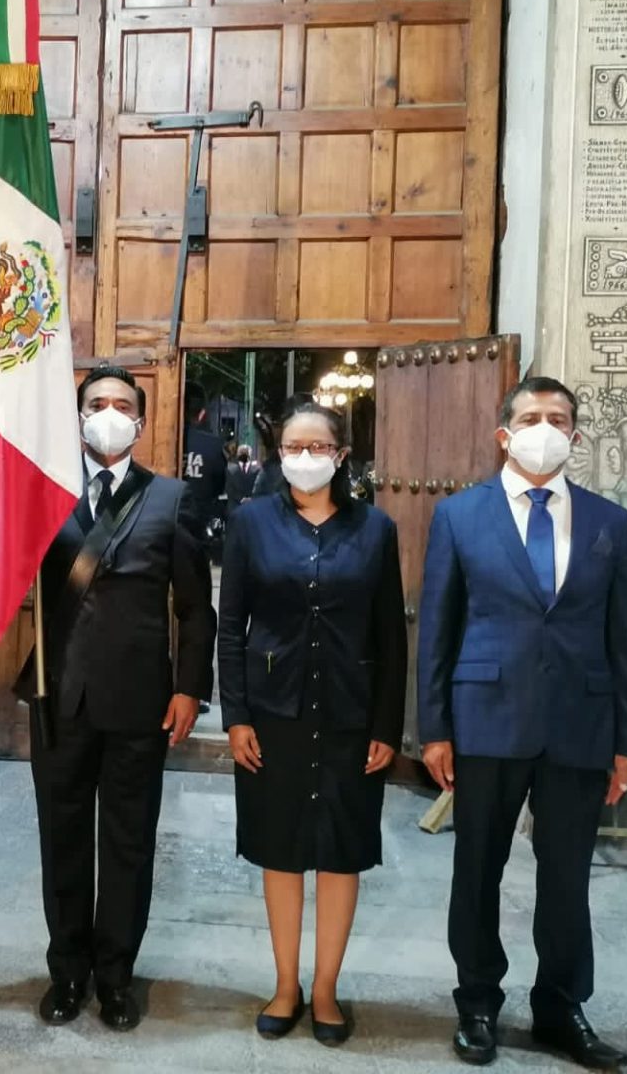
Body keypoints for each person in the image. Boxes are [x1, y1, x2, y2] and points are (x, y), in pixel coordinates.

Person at [418, 376, 627, 1070]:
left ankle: (561, 1005)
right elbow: (439, 628)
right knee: (478, 868)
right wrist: (433, 728)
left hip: (579, 723)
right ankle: (478, 1001)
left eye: (561, 418)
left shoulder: (609, 523)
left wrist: (626, 743)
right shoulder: (461, 516)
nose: (548, 427)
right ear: (504, 434)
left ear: (576, 435)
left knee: (568, 874)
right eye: (532, 416)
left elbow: (622, 637)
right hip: (485, 718)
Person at [24, 364, 215, 1032]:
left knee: (129, 844)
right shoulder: (43, 489)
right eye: (96, 403)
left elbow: (195, 608)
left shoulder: (170, 499)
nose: (109, 412)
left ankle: (115, 978)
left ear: (139, 419)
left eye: (121, 404)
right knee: (63, 841)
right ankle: (66, 971)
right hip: (60, 697)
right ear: (78, 417)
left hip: (141, 700)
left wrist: (190, 686)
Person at [219, 401, 407, 1046]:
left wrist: (388, 722)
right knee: (280, 849)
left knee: (340, 852)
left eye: (317, 446)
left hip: (352, 714)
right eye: (292, 447)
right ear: (278, 455)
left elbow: (390, 635)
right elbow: (230, 627)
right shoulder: (250, 523)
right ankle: (285, 983)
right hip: (275, 713)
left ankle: (325, 988)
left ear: (341, 454)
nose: (304, 457)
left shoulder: (376, 529)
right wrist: (236, 715)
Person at [182, 382, 228, 547]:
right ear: (201, 414)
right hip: (197, 531)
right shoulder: (213, 446)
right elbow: (219, 487)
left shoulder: (155, 443)